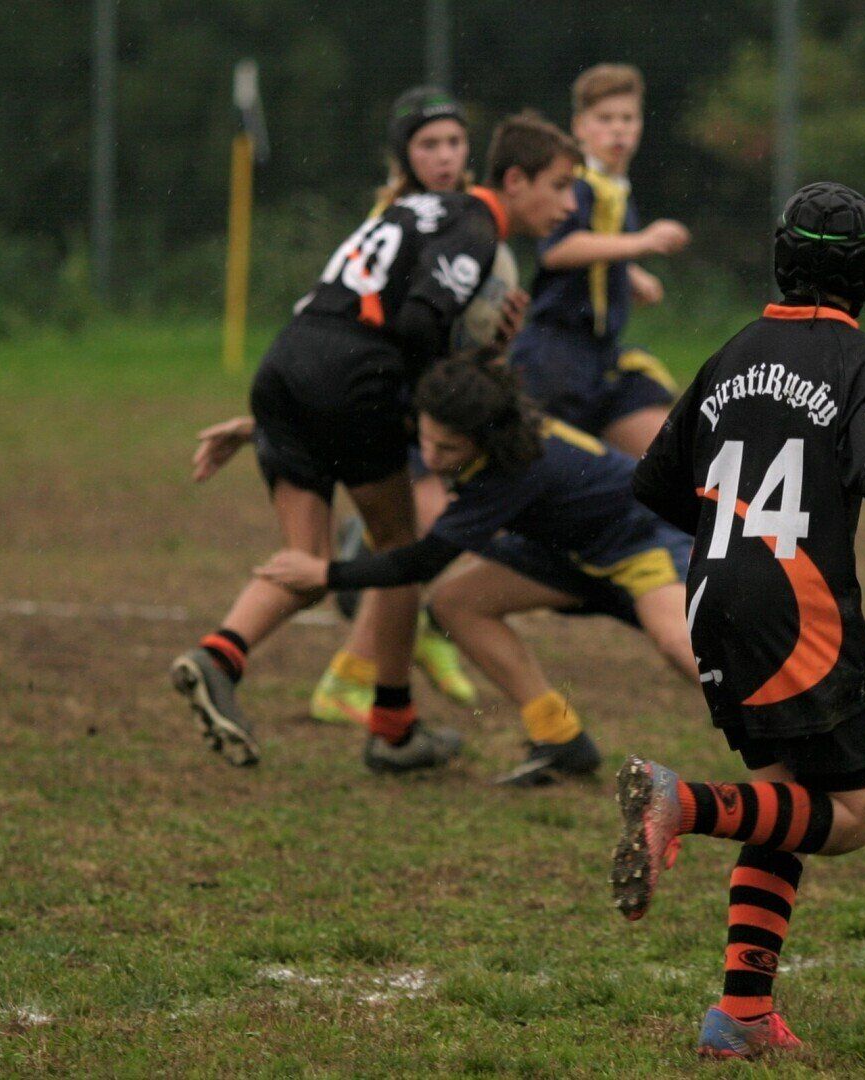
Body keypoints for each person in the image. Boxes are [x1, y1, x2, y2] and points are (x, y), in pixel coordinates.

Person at [611, 183, 865, 1059]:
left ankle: (742, 1014)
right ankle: (678, 800)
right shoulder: (863, 359)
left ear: (780, 259)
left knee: (785, 803)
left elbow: (652, 483)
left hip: (710, 591)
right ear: (863, 276)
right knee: (851, 816)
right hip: (797, 610)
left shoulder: (733, 353)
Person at [170, 112, 581, 774]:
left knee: (304, 560)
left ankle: (217, 658)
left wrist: (261, 422)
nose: (568, 203)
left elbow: (379, 303)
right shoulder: (473, 229)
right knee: (401, 549)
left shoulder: (416, 209)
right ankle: (392, 730)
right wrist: (441, 411)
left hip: (287, 365)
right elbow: (420, 321)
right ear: (515, 180)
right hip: (356, 380)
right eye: (560, 186)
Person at [255, 358, 698, 786]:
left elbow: (423, 561)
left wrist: (325, 572)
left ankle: (766, 720)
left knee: (680, 644)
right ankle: (559, 737)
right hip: (564, 551)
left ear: (485, 439)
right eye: (425, 441)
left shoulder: (514, 468)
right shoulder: (474, 426)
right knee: (456, 604)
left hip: (640, 539)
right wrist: (268, 429)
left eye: (447, 449)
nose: (429, 457)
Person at [304, 85, 480, 730]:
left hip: (437, 398)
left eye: (454, 142)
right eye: (428, 144)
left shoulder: (471, 216)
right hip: (395, 401)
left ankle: (413, 632)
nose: (444, 155)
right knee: (426, 533)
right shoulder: (399, 220)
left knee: (433, 535)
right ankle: (352, 676)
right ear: (405, 156)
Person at [510, 63, 689, 457]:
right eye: (605, 119)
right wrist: (640, 244)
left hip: (602, 356)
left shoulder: (615, 188)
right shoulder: (577, 185)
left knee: (668, 463)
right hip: (555, 357)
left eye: (628, 118)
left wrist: (629, 274)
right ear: (579, 126)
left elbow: (600, 248)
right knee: (549, 481)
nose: (618, 129)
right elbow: (559, 249)